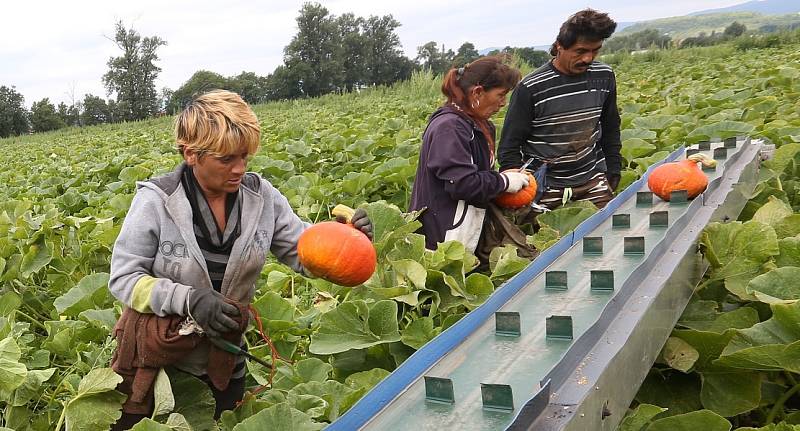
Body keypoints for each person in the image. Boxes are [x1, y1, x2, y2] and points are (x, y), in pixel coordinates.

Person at [107, 90, 372, 429]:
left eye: (245, 157)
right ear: (191, 153)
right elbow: (124, 279)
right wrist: (188, 299)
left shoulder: (261, 198)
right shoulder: (157, 202)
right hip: (161, 359)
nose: (239, 169)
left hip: (225, 357)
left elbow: (306, 256)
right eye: (226, 159)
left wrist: (348, 240)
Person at [498, 9, 622, 211]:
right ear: (559, 46)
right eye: (580, 51)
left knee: (608, 233)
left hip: (592, 177)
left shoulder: (604, 76)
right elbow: (509, 146)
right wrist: (516, 188)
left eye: (595, 50)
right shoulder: (531, 87)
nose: (588, 58)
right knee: (545, 240)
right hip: (544, 183)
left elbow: (610, 126)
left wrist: (613, 168)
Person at [409, 56, 526, 253]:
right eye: (501, 95)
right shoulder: (449, 127)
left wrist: (501, 181)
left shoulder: (478, 124)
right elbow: (462, 183)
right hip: (440, 239)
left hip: (463, 231)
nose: (503, 103)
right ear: (477, 92)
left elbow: (477, 173)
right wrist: (504, 182)